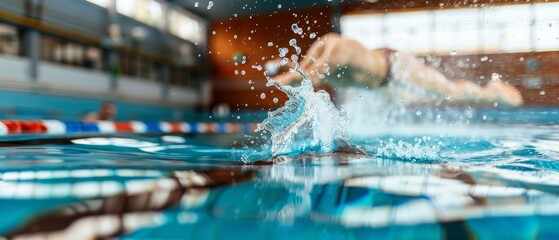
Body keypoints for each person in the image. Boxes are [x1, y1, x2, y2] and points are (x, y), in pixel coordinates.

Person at [266, 33, 523, 106]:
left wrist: (275, 80)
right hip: (383, 84)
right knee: (427, 101)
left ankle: (492, 90)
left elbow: (308, 77)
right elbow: (306, 73)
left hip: (396, 68)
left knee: (448, 92)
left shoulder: (332, 53)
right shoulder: (316, 54)